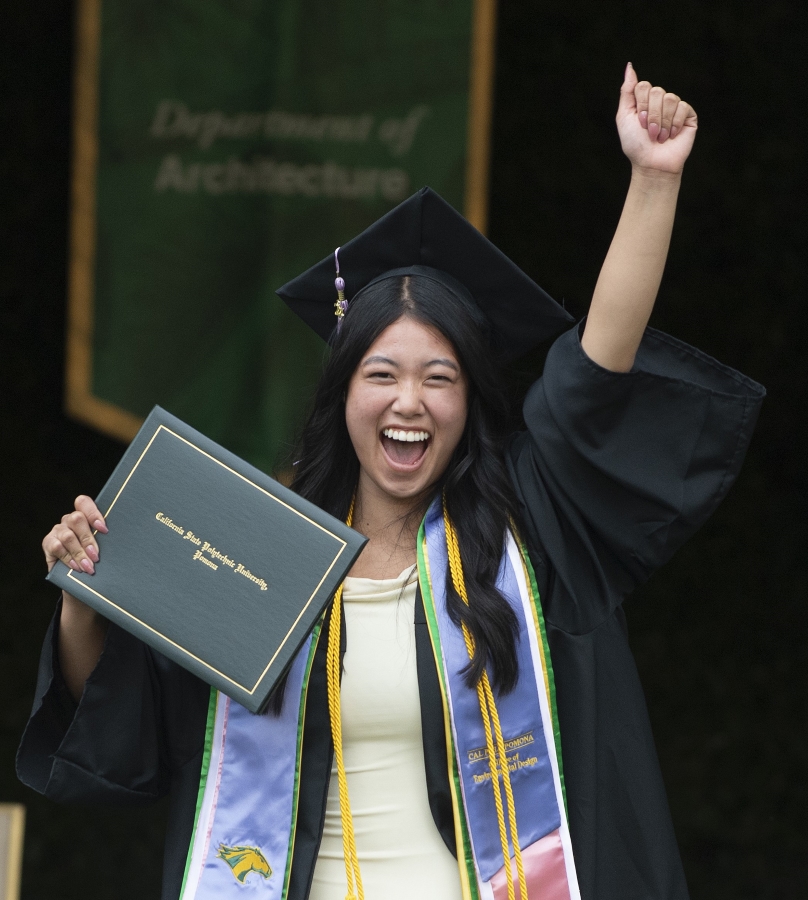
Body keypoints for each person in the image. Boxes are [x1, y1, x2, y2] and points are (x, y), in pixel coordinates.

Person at [19, 65, 764, 900]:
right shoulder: (259, 545)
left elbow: (596, 371)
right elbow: (140, 718)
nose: (409, 402)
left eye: (439, 378)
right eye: (382, 373)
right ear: (342, 395)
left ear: (471, 396)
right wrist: (85, 596)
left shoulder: (525, 533)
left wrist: (654, 180)